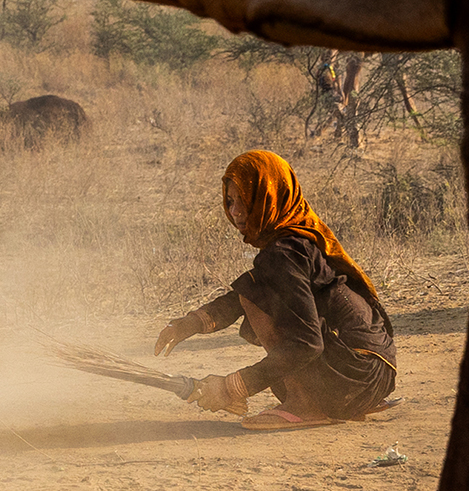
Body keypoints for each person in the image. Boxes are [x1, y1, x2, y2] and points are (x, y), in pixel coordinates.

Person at [154, 150, 397, 430]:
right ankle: (326, 400)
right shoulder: (301, 236)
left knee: (255, 300)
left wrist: (233, 387)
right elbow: (252, 290)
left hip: (355, 374)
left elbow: (306, 343)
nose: (234, 212)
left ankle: (303, 404)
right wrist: (190, 324)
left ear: (268, 196)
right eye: (230, 202)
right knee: (255, 293)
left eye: (244, 201)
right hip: (375, 375)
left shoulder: (282, 253)